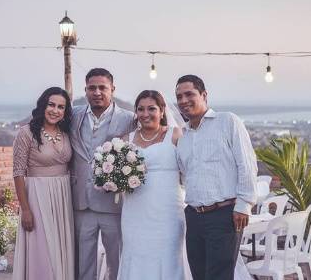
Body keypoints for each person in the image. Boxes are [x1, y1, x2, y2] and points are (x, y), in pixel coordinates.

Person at [175, 75, 258, 280]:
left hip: (224, 214)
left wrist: (244, 204)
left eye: (189, 94)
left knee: (219, 276)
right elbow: (184, 177)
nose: (183, 100)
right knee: (199, 275)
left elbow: (247, 164)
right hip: (193, 215)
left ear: (204, 95)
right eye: (179, 97)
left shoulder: (228, 121)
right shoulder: (183, 137)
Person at [70, 68, 134, 280]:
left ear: (112, 89)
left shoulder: (129, 119)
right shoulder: (73, 115)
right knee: (82, 261)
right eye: (92, 88)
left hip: (113, 204)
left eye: (102, 87)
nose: (97, 92)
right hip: (80, 201)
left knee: (117, 260)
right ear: (85, 90)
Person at [117, 90, 184, 280]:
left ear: (162, 111)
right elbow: (117, 177)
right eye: (140, 109)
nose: (145, 114)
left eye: (151, 109)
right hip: (134, 212)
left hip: (168, 212)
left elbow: (190, 170)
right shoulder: (125, 140)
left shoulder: (176, 135)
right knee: (136, 254)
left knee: (168, 255)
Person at [12, 87, 74, 280]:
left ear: (65, 111)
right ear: (43, 106)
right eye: (51, 104)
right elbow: (18, 172)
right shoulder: (26, 133)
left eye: (61, 107)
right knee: (43, 250)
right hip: (37, 196)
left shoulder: (66, 133)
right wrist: (26, 209)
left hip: (63, 197)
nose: (55, 110)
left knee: (61, 248)